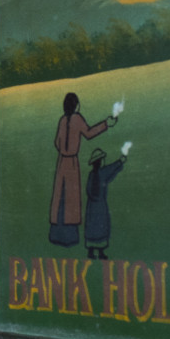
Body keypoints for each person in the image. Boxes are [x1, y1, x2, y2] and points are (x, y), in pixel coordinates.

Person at [48, 91, 120, 247]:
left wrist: (64, 150)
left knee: (60, 197)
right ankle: (69, 237)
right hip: (72, 163)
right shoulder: (77, 119)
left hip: (62, 162)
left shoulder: (62, 120)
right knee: (71, 199)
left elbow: (57, 142)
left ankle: (57, 235)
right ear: (75, 105)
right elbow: (89, 133)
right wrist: (106, 124)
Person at [83, 142, 130, 260]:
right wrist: (121, 160)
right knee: (100, 227)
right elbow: (112, 168)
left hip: (92, 206)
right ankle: (99, 251)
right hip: (99, 206)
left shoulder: (92, 174)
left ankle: (92, 251)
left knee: (93, 227)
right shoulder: (101, 172)